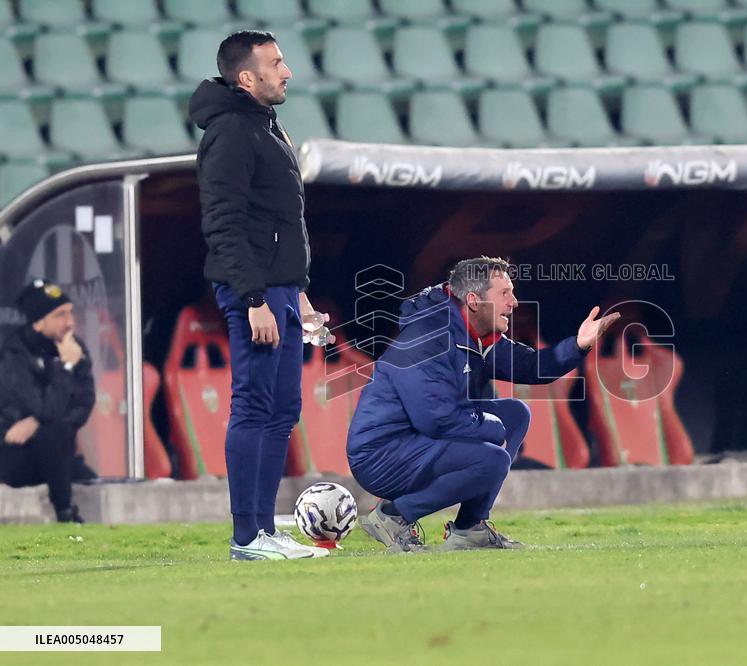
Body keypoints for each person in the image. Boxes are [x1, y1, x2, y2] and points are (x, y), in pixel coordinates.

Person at [347, 256, 620, 552]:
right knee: (494, 459)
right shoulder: (428, 338)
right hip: (381, 455)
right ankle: (394, 516)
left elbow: (531, 366)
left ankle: (470, 529)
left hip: (416, 440)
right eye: (505, 293)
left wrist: (578, 344)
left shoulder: (475, 334)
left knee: (516, 414)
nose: (514, 302)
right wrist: (492, 429)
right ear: (475, 301)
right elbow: (435, 419)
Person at [189, 30, 330, 561]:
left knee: (282, 408)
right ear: (246, 77)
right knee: (253, 405)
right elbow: (222, 223)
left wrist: (301, 296)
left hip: (282, 289)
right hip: (256, 292)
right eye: (275, 63)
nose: (287, 70)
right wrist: (254, 299)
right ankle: (246, 537)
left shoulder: (265, 127)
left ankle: (265, 533)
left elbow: (279, 222)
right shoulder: (231, 132)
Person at [0, 279, 95, 523]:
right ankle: (65, 513)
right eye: (61, 315)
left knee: (60, 437)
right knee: (55, 434)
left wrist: (37, 422)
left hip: (56, 453)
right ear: (39, 323)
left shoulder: (72, 348)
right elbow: (42, 408)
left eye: (71, 313)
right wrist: (65, 367)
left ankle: (66, 513)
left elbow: (83, 406)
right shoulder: (13, 355)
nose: (71, 322)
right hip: (15, 455)